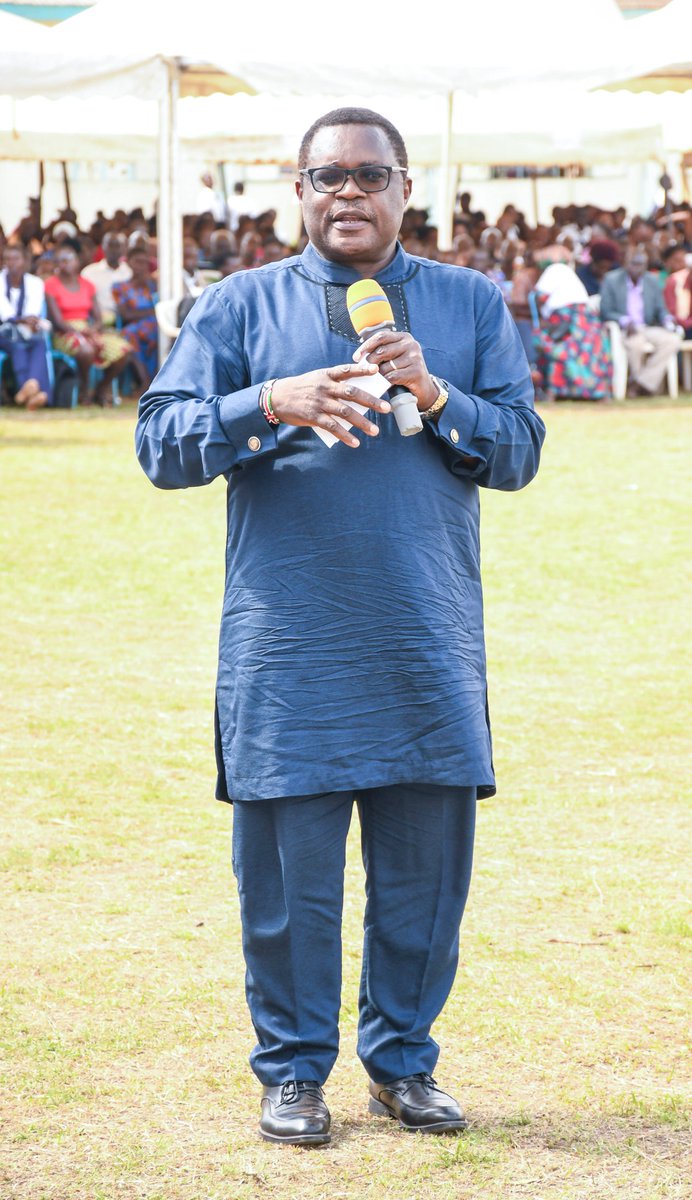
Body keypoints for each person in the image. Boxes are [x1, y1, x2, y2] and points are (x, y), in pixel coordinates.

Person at [135, 106, 544, 1148]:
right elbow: (160, 443)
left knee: (422, 883)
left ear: (406, 190)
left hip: (423, 641)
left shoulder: (464, 302)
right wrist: (266, 402)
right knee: (286, 893)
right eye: (326, 175)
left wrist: (435, 391)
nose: (347, 191)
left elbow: (518, 449)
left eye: (369, 174)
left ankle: (402, 1066)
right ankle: (291, 1073)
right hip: (290, 651)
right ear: (300, 191)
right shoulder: (239, 307)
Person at [44, 243, 130, 406]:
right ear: (56, 264)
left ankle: (101, 389)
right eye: (61, 260)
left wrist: (92, 330)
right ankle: (84, 390)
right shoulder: (51, 285)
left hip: (88, 329)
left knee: (123, 349)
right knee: (86, 350)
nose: (66, 263)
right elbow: (58, 321)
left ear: (77, 261)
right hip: (64, 332)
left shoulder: (87, 285)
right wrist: (81, 332)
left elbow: (97, 317)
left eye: (69, 259)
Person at [532, 245, 612, 402]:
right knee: (591, 355)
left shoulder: (555, 269)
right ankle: (596, 393)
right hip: (588, 320)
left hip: (566, 319)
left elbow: (539, 297)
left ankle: (554, 391)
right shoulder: (570, 274)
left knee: (553, 348)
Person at [600, 248, 682, 396]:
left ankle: (642, 384)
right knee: (635, 344)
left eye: (641, 264)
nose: (637, 267)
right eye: (634, 263)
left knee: (673, 340)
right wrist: (625, 321)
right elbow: (605, 310)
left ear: (645, 265)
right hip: (625, 328)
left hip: (647, 326)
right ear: (626, 263)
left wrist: (668, 319)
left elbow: (660, 309)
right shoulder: (612, 279)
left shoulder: (652, 280)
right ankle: (641, 385)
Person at [0, 243, 52, 408]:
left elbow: (33, 311)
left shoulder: (35, 282)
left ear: (24, 261)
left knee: (39, 343)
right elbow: (5, 314)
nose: (11, 262)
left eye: (16, 258)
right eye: (7, 259)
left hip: (27, 330)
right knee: (18, 345)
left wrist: (24, 321)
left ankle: (30, 390)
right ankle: (36, 391)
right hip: (4, 331)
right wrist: (22, 321)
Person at [112, 246, 158, 389]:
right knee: (128, 334)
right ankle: (145, 381)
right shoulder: (120, 287)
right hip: (134, 327)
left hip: (154, 326)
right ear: (129, 263)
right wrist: (152, 312)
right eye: (137, 262)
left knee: (162, 335)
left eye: (144, 263)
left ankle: (155, 381)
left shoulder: (153, 285)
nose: (141, 266)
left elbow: (162, 310)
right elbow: (125, 314)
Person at [81, 232, 132, 324]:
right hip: (96, 319)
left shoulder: (129, 272)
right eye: (110, 245)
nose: (113, 250)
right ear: (103, 247)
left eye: (117, 245)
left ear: (124, 249)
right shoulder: (89, 272)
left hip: (125, 320)